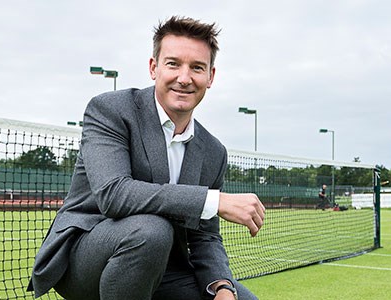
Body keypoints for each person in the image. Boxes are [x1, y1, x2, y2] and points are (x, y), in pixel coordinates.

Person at [28, 16, 264, 300]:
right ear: (154, 68)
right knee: (151, 231)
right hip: (87, 258)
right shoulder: (111, 111)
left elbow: (205, 236)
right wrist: (214, 200)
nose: (185, 78)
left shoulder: (214, 152)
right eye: (173, 63)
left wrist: (222, 286)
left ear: (210, 77)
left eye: (197, 68)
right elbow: (114, 194)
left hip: (165, 267)